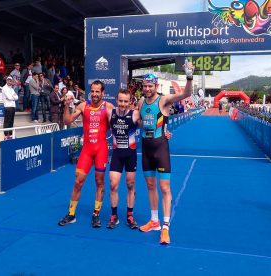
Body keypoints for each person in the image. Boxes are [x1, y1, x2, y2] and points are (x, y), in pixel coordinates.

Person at [138, 62, 194, 245]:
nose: (147, 88)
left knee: (164, 188)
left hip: (161, 149)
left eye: (150, 86)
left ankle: (165, 227)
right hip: (145, 150)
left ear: (156, 86)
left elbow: (186, 94)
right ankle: (154, 221)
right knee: (150, 186)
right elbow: (140, 122)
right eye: (145, 86)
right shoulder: (140, 102)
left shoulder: (162, 100)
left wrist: (189, 76)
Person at [58, 80, 114, 228]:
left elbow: (118, 124)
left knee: (100, 183)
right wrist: (66, 105)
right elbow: (67, 120)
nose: (95, 94)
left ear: (103, 93)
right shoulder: (83, 106)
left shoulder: (108, 107)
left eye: (98, 91)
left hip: (101, 149)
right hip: (87, 150)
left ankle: (96, 214)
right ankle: (71, 214)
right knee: (78, 182)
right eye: (93, 91)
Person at [106, 88, 140, 229]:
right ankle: (114, 215)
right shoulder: (110, 113)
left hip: (130, 155)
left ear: (130, 101)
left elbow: (151, 122)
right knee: (113, 185)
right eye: (120, 101)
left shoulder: (135, 114)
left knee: (130, 185)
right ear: (116, 100)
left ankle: (129, 215)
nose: (123, 104)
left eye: (126, 101)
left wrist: (165, 132)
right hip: (117, 155)